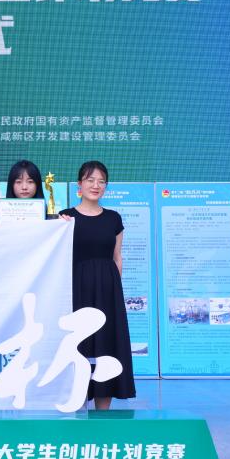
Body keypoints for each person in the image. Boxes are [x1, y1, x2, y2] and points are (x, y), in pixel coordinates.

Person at [59, 160, 136, 409]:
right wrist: (58, 224)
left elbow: (117, 257)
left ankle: (104, 411)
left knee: (106, 346)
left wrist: (115, 293)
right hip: (77, 290)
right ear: (79, 185)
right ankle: (78, 406)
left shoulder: (113, 218)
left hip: (107, 291)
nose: (96, 185)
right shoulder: (66, 217)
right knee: (79, 346)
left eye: (101, 181)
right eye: (90, 180)